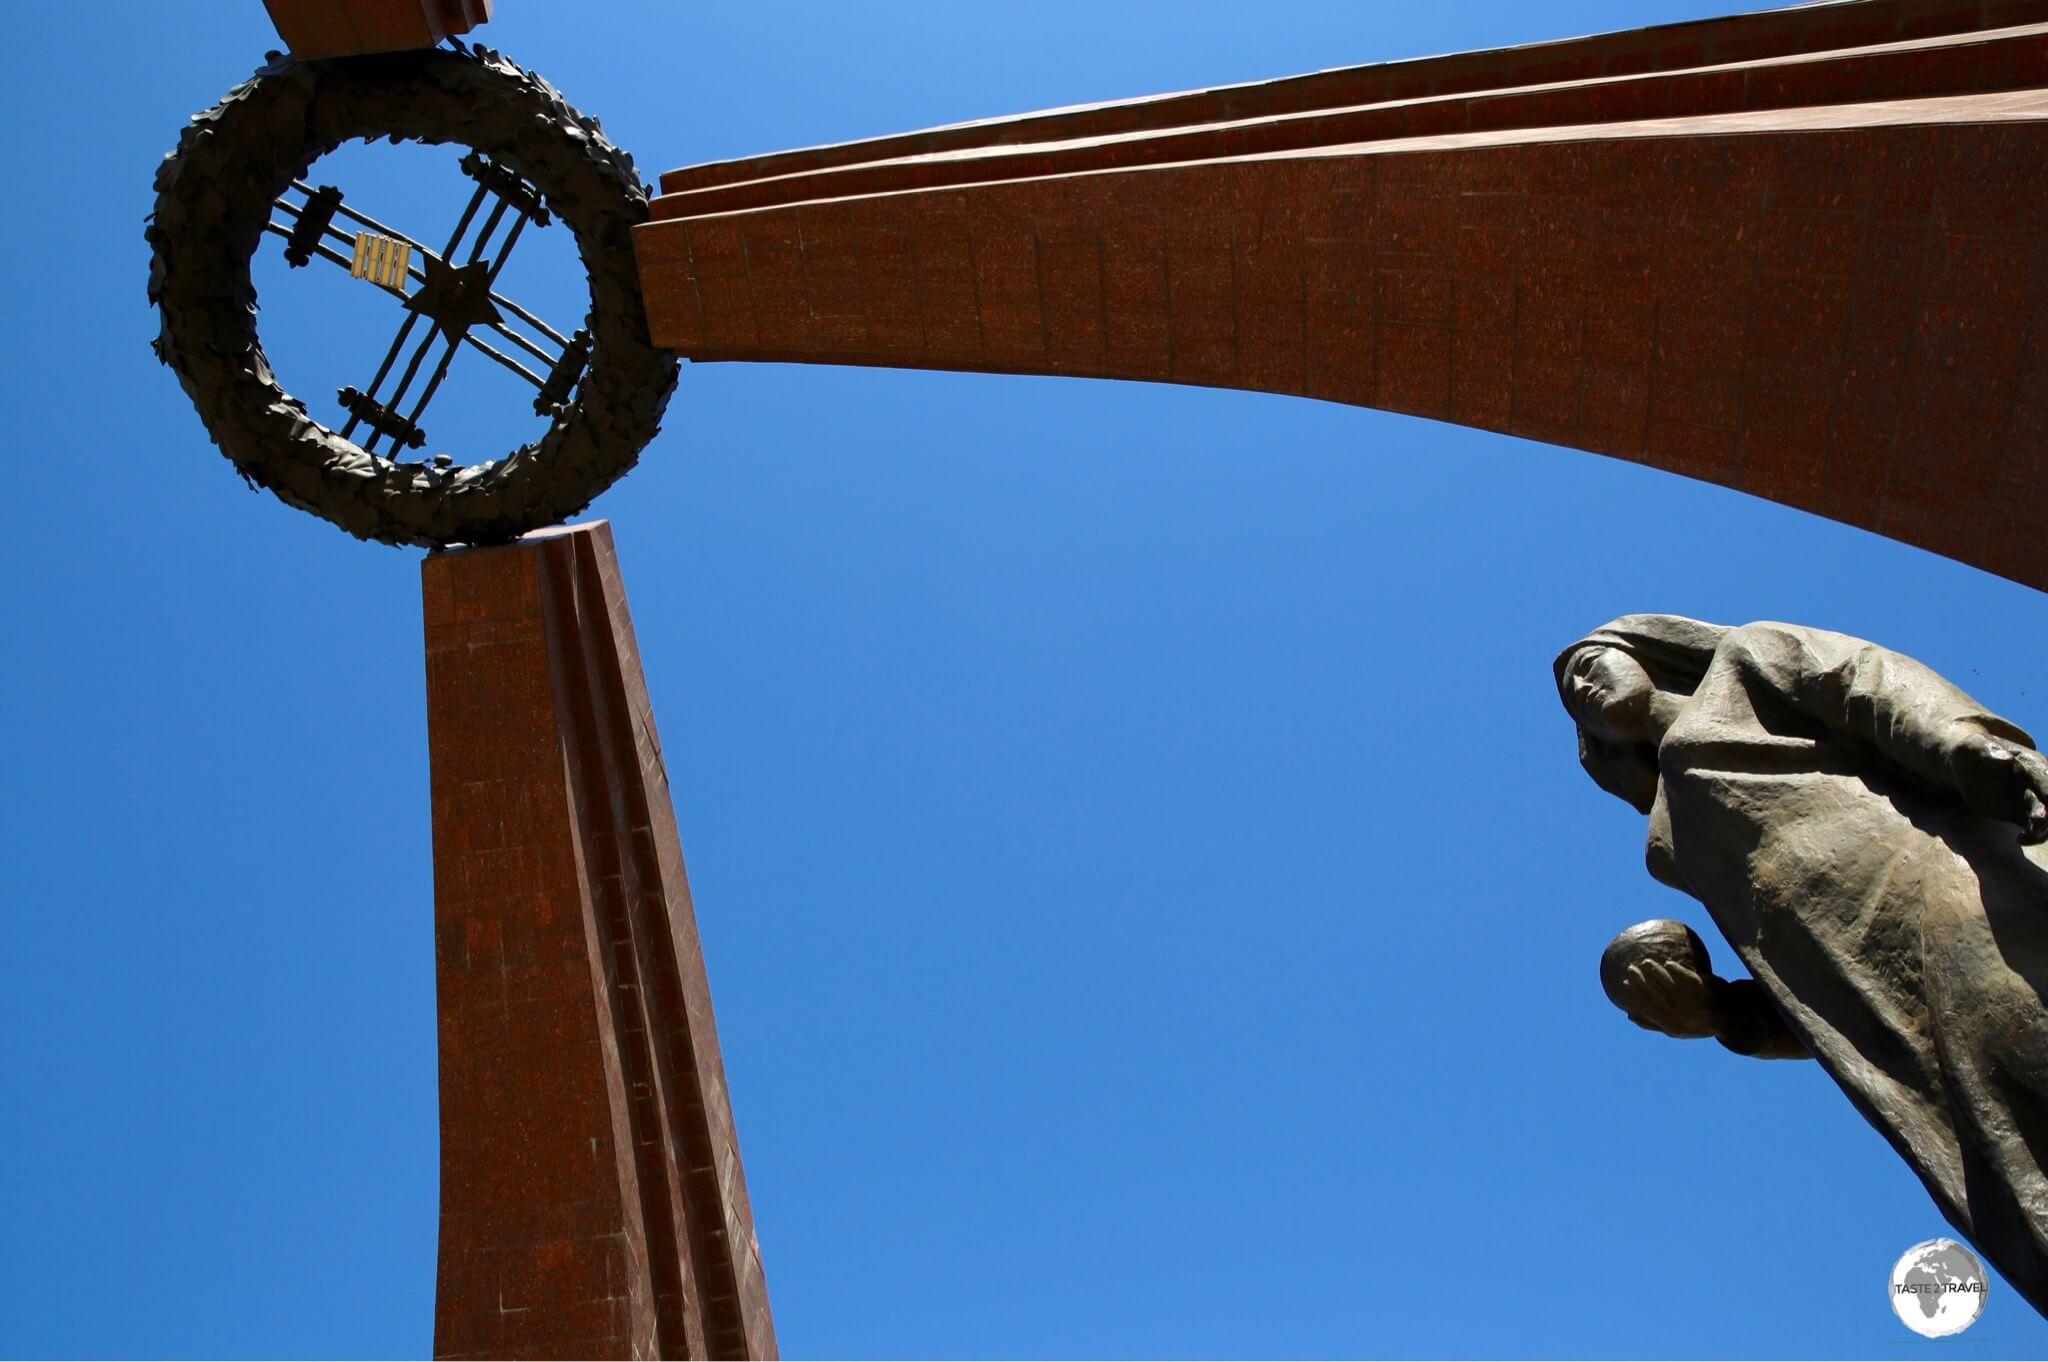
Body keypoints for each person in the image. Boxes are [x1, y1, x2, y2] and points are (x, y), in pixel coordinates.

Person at [1555, 615, 2048, 1316]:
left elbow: (1869, 687)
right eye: (1573, 694)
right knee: (2016, 1179)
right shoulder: (1671, 846)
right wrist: (1719, 1012)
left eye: (1592, 659)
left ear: (1650, 650)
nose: (1584, 681)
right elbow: (1796, 983)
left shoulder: (1748, 661)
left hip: (1954, 892)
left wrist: (1971, 746)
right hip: (1885, 1014)